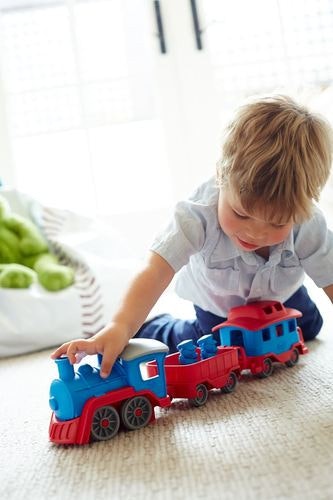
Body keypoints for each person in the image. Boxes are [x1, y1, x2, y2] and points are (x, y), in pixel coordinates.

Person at [51, 95, 333, 378]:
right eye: (241, 213)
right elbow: (155, 269)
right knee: (210, 354)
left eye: (277, 223)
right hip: (219, 311)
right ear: (221, 175)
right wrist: (122, 326)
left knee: (308, 329)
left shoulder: (308, 222)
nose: (256, 232)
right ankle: (158, 326)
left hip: (282, 300)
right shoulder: (196, 215)